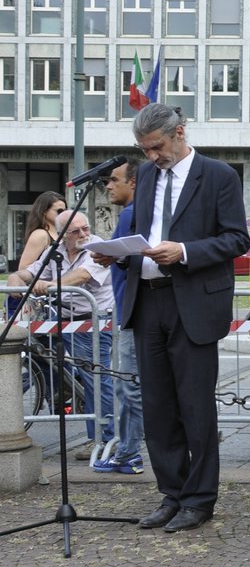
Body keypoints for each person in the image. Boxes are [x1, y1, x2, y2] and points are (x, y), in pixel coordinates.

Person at [119, 104, 250, 532]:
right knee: (157, 407)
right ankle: (171, 494)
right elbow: (143, 233)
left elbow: (236, 239)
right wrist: (116, 255)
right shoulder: (147, 179)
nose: (152, 156)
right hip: (148, 300)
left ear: (179, 132)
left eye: (156, 146)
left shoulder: (218, 176)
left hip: (192, 301)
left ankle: (199, 499)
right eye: (144, 149)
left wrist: (186, 252)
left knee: (195, 407)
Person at [10, 211, 117, 461]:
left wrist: (49, 284)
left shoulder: (96, 249)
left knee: (96, 379)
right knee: (37, 356)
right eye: (76, 231)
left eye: (85, 228)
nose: (83, 234)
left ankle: (105, 438)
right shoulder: (55, 252)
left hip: (90, 322)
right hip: (60, 319)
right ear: (62, 235)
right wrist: (16, 278)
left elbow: (81, 277)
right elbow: (30, 272)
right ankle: (61, 388)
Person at [99, 159, 144, 473]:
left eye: (114, 180)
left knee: (128, 385)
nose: (108, 185)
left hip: (129, 310)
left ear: (133, 182)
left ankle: (132, 451)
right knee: (125, 385)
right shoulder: (132, 213)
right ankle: (128, 450)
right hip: (126, 308)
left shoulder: (131, 213)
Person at [16, 191, 66, 275]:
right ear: (44, 212)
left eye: (65, 211)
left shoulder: (61, 232)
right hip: (43, 285)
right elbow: (23, 268)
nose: (63, 214)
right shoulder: (40, 235)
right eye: (59, 211)